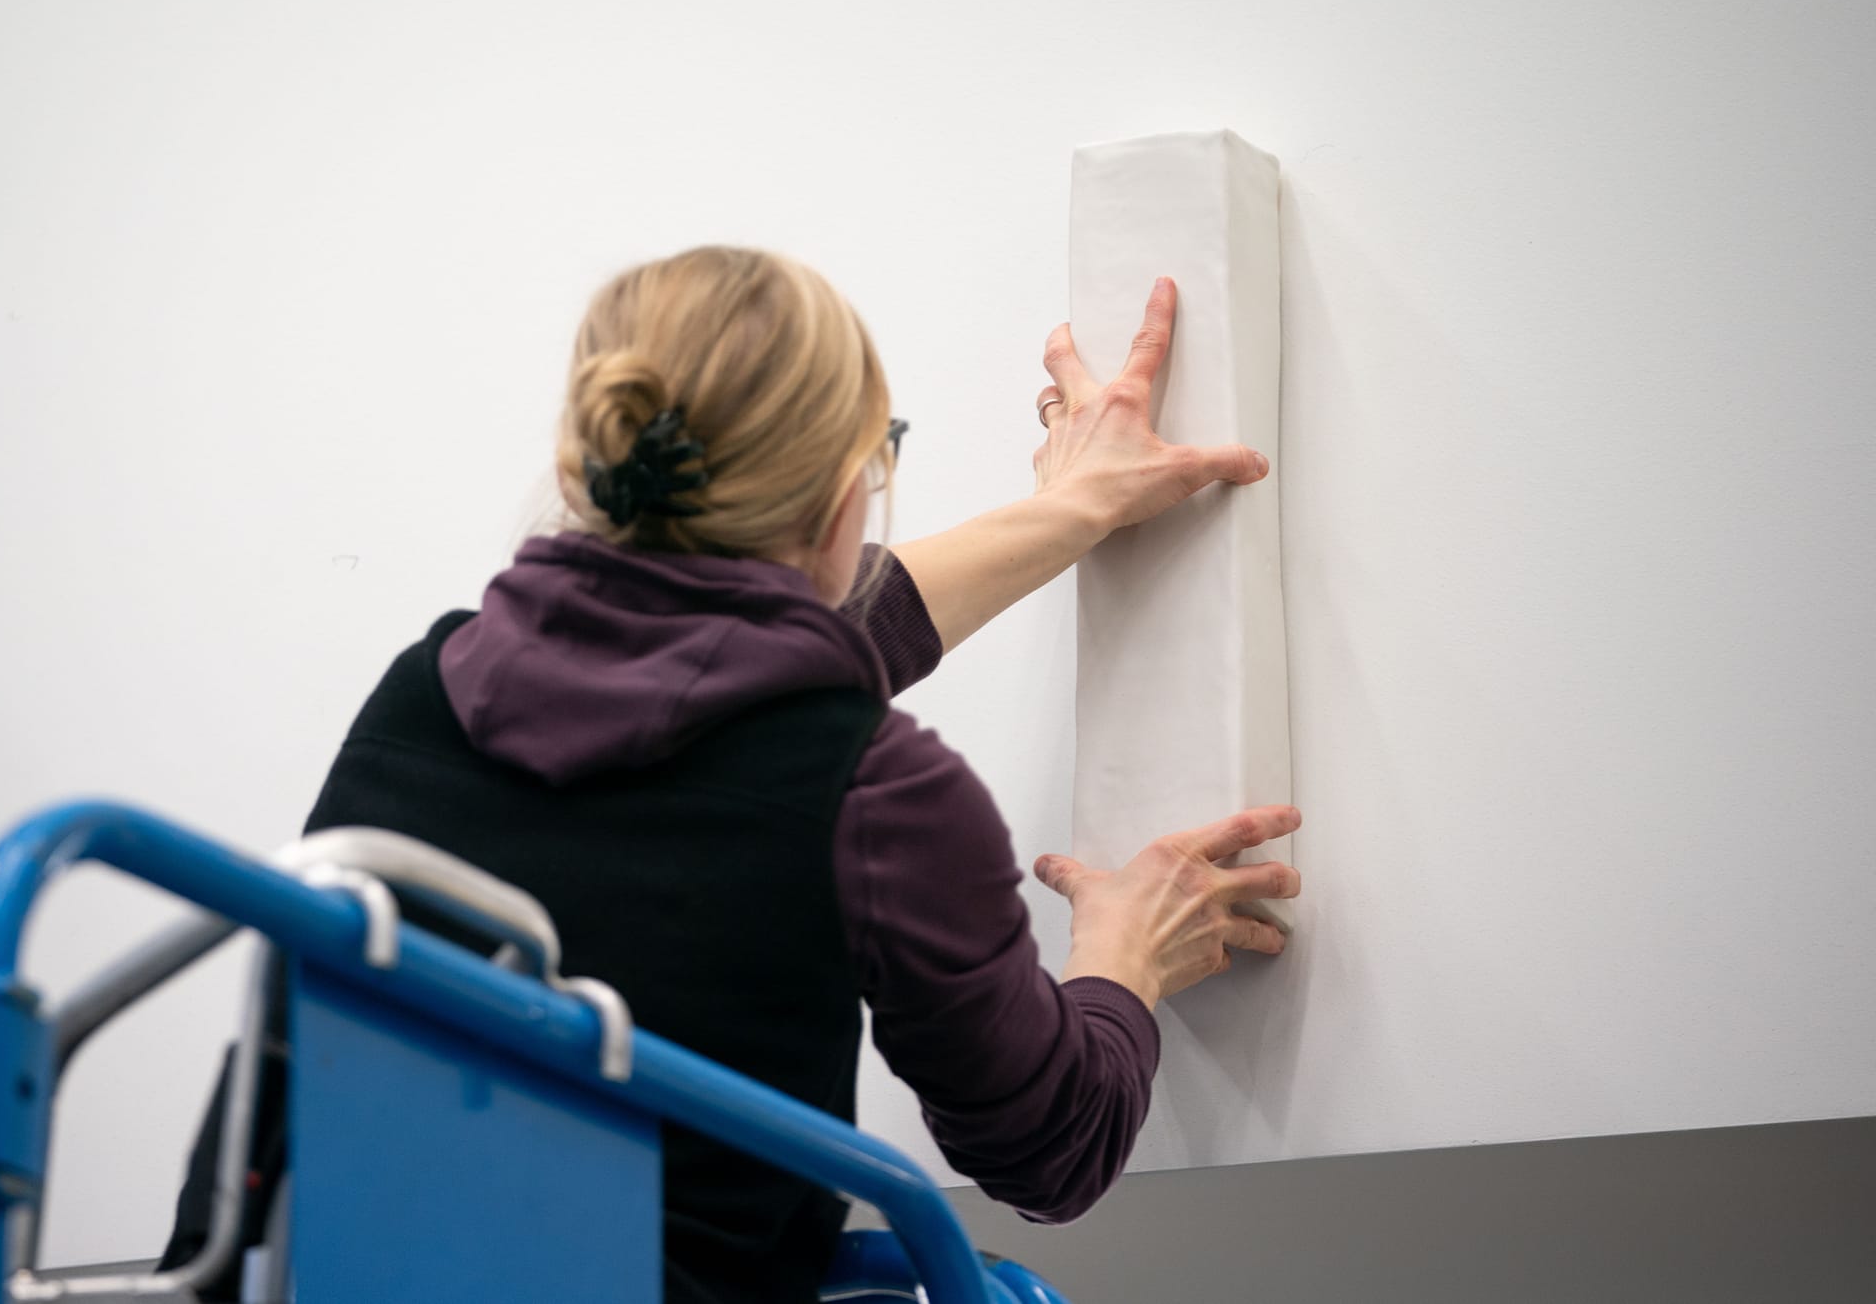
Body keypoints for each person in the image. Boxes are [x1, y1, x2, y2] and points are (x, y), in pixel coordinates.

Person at [159, 245, 1302, 1303]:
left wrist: (1072, 506)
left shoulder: (428, 685)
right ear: (849, 490)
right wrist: (1122, 957)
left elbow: (751, 666)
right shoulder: (874, 794)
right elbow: (1048, 1147)